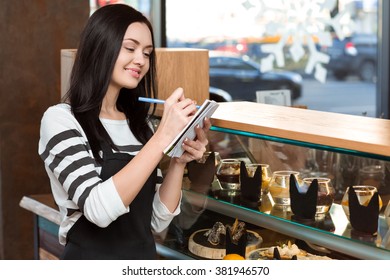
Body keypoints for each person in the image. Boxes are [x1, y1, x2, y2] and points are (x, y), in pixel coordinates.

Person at [38, 4, 211, 260]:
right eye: (130, 48)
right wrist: (163, 137)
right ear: (100, 48)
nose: (141, 60)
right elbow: (97, 210)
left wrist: (178, 160)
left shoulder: (141, 125)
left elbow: (155, 222)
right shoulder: (61, 120)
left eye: (147, 52)